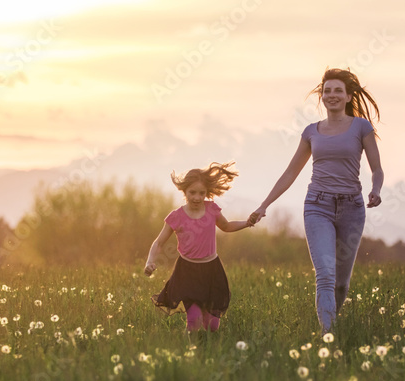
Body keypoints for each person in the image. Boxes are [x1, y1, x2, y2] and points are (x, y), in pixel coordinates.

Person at [248, 68, 383, 332]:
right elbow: (290, 172)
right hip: (317, 206)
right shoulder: (312, 132)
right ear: (322, 96)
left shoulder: (361, 127)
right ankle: (328, 337)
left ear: (347, 96)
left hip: (352, 209)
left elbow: (377, 169)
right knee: (325, 275)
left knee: (341, 283)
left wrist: (376, 190)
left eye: (337, 91)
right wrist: (264, 205)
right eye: (327, 91)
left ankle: (331, 321)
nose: (332, 95)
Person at [145, 161, 250, 333]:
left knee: (212, 326)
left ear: (207, 193)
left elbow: (227, 226)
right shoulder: (176, 216)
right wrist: (149, 262)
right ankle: (191, 351)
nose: (197, 197)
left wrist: (247, 222)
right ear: (184, 191)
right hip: (187, 271)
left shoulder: (212, 210)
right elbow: (159, 242)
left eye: (202, 193)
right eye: (192, 192)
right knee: (194, 320)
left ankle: (208, 348)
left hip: (212, 270)